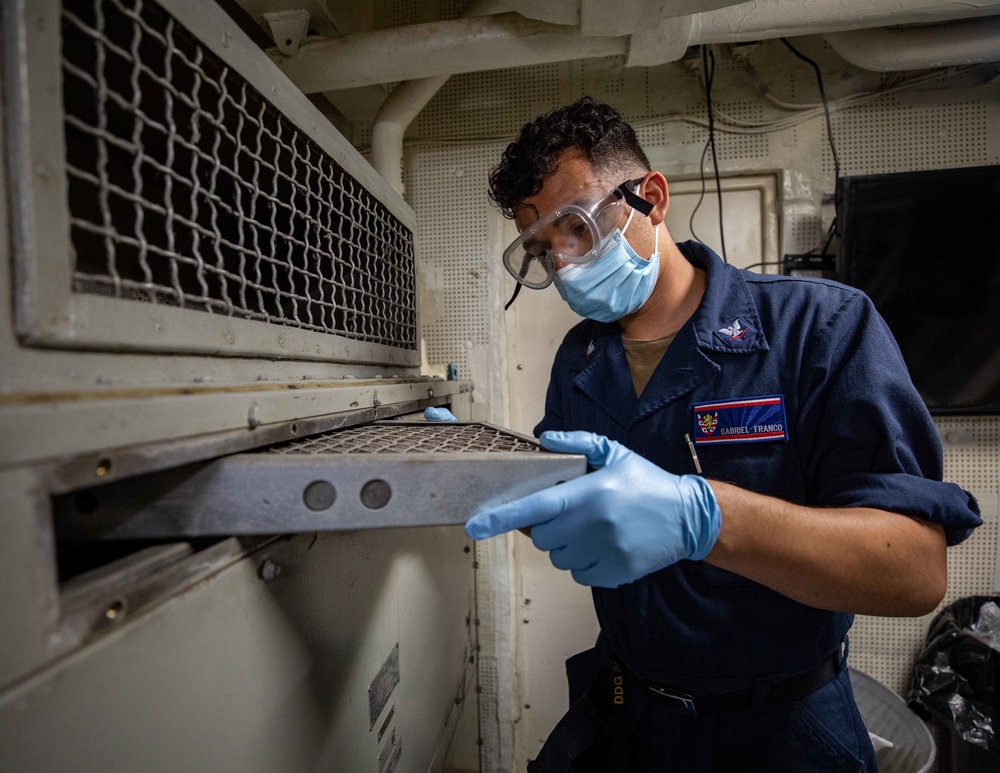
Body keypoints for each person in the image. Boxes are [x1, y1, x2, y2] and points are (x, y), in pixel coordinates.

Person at [456, 97, 982, 772]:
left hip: (782, 726)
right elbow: (587, 508)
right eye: (542, 249)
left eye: (576, 229)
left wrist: (707, 519)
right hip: (630, 710)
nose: (564, 266)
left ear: (651, 198)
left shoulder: (818, 330)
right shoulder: (580, 362)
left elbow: (912, 571)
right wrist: (491, 478)